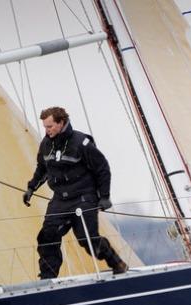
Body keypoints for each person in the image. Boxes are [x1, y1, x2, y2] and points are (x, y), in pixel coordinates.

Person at [23, 106, 128, 279]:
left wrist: (105, 197)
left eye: (49, 127)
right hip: (60, 200)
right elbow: (42, 170)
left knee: (87, 239)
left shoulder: (81, 142)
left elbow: (102, 168)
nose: (46, 130)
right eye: (45, 127)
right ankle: (47, 279)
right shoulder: (46, 144)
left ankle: (116, 263)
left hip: (83, 197)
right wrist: (31, 188)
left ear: (61, 123)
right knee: (47, 235)